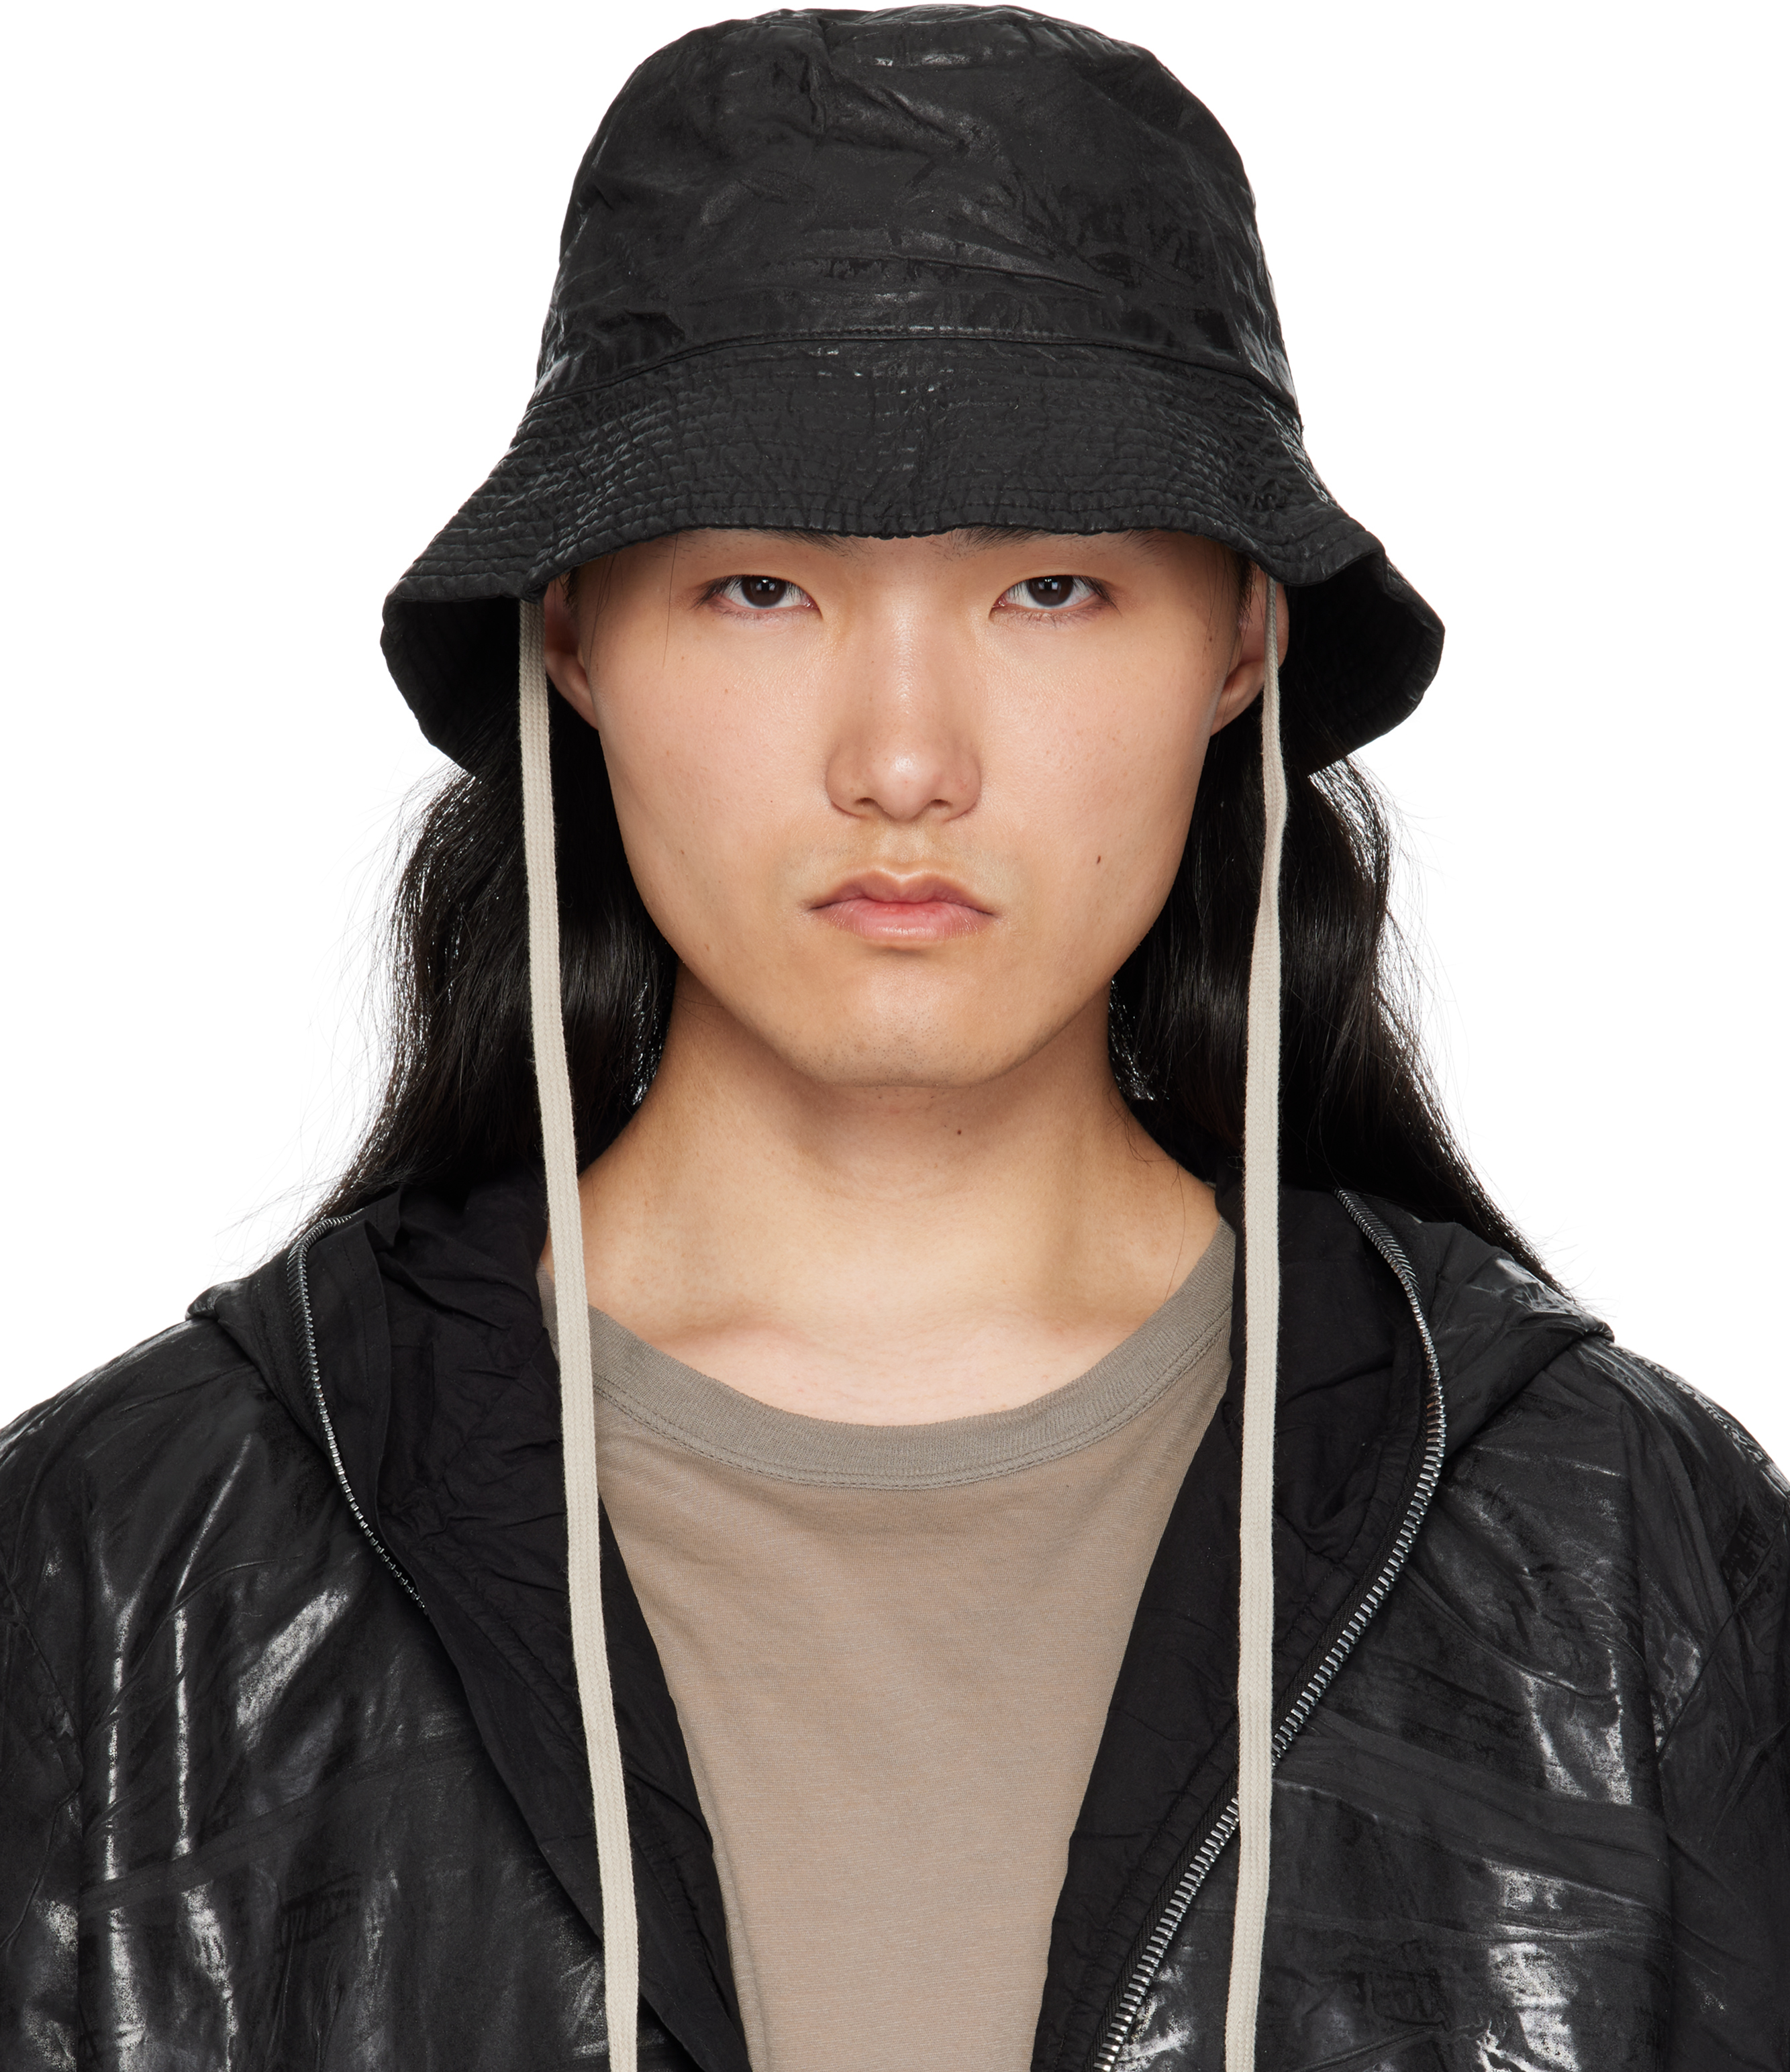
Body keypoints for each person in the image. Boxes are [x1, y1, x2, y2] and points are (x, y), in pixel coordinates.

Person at [3, 8, 1785, 2071]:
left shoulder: (1627, 1555)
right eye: (761, 589)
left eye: (1053, 590)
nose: (906, 760)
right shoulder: (127, 1565)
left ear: (1241, 642)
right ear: (570, 639)